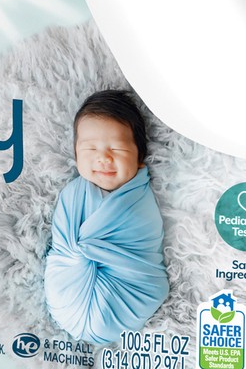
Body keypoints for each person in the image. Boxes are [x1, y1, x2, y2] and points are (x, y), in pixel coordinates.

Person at [44, 90, 169, 344]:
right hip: (69, 287)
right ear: (76, 154)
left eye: (117, 148)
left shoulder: (140, 202)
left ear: (139, 157)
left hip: (130, 290)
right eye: (90, 148)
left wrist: (89, 247)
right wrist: (83, 251)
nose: (103, 157)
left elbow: (143, 240)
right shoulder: (72, 194)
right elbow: (63, 247)